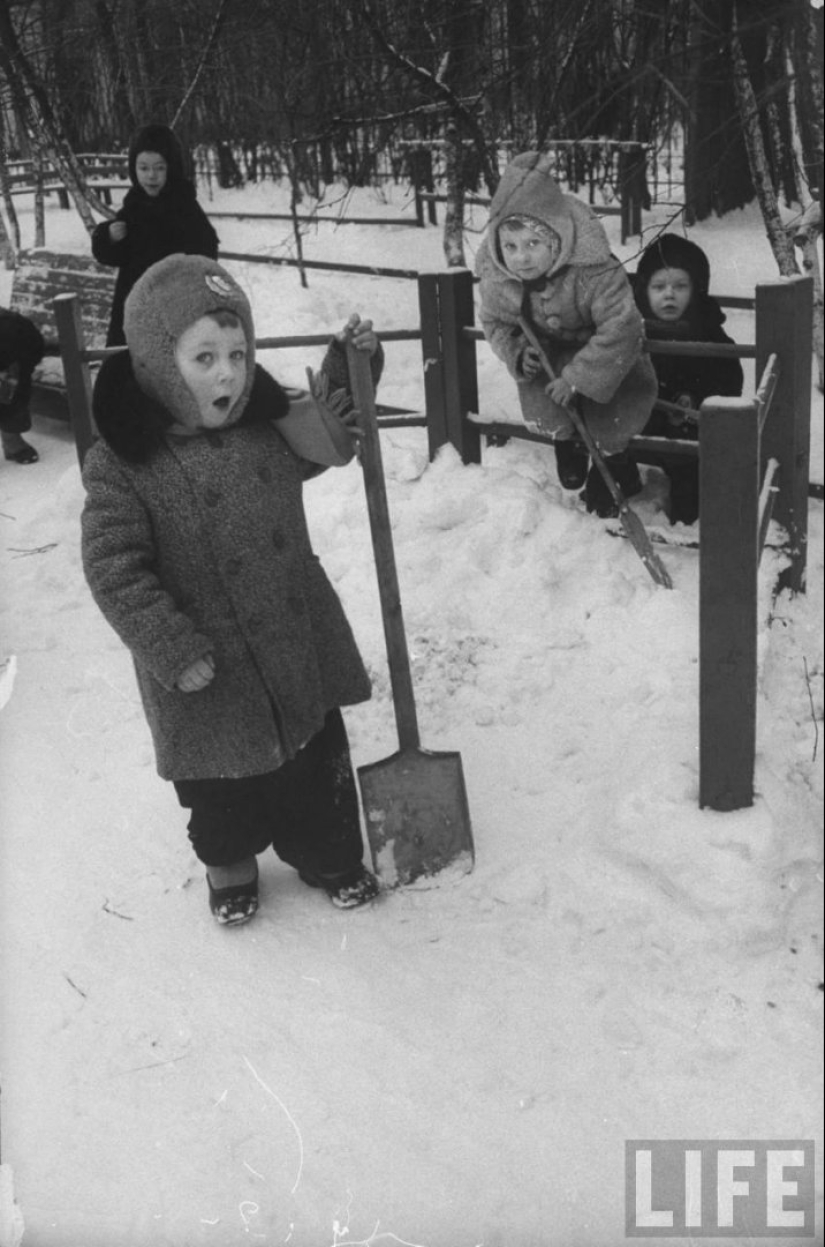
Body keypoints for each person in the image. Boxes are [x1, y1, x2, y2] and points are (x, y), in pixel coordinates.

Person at [81, 254, 384, 926]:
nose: (229, 372)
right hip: (206, 665)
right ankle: (231, 867)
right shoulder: (123, 462)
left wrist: (350, 363)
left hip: (291, 638)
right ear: (159, 363)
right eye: (205, 356)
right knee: (221, 791)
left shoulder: (263, 426)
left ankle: (329, 855)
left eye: (239, 353)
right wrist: (168, 644)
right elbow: (112, 566)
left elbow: (326, 432)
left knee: (315, 762)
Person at [476, 151, 657, 517]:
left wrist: (577, 378)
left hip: (607, 361)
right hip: (549, 362)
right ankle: (568, 442)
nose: (520, 259)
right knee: (556, 410)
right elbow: (495, 322)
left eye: (532, 245)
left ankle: (616, 462)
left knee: (610, 422)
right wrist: (514, 351)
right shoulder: (501, 278)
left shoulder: (593, 271)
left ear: (556, 239)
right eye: (510, 246)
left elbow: (622, 326)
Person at [634, 233, 744, 526]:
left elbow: (728, 381)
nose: (669, 294)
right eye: (659, 286)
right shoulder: (629, 331)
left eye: (680, 286)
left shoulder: (709, 334)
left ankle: (687, 518)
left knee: (692, 488)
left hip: (687, 436)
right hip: (635, 429)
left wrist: (696, 398)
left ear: (697, 289)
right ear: (643, 289)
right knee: (609, 458)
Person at [91, 123, 219, 346]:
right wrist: (108, 237)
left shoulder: (184, 205)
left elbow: (208, 251)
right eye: (143, 168)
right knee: (125, 369)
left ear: (172, 168)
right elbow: (113, 256)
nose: (151, 176)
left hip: (175, 309)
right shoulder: (134, 205)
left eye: (159, 168)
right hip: (133, 309)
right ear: (134, 169)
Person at [0, 305, 46, 464]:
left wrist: (16, 370)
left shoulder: (13, 326)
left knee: (15, 394)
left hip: (13, 363)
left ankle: (11, 439)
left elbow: (35, 346)